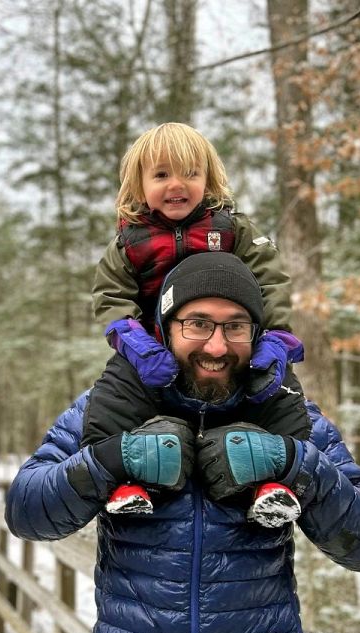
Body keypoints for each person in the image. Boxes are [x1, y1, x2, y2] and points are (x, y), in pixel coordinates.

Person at [5, 252, 360, 633]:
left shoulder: (289, 415)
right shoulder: (110, 409)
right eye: (198, 323)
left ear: (257, 333)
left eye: (235, 326)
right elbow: (26, 511)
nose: (217, 345)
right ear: (166, 328)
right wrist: (110, 460)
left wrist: (295, 463)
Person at [92, 122, 303, 517]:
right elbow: (111, 297)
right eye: (161, 174)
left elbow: (271, 282)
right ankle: (126, 483)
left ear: (208, 179)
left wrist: (275, 339)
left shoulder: (232, 229)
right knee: (114, 398)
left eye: (191, 173)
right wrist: (134, 343)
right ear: (139, 185)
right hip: (155, 354)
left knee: (279, 399)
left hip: (229, 349)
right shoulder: (129, 244)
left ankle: (275, 484)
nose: (178, 184)